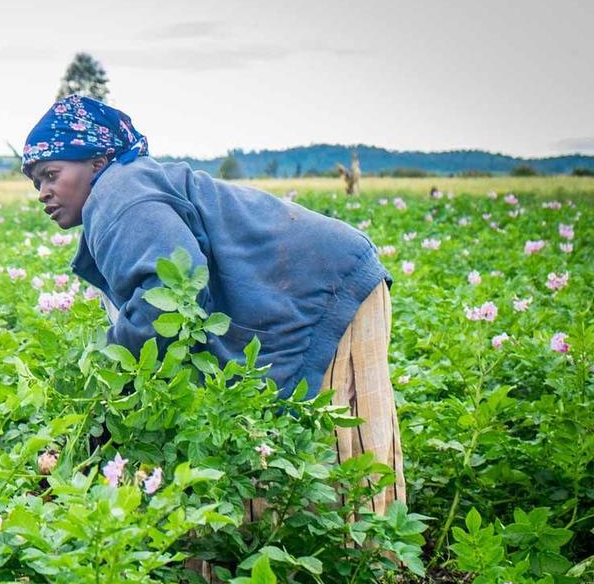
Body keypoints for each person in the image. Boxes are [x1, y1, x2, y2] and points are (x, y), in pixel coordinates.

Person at [23, 94, 405, 517]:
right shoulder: (123, 187)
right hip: (328, 273)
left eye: (51, 175)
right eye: (36, 182)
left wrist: (108, 390)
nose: (43, 192)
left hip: (332, 283)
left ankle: (364, 564)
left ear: (96, 162)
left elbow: (170, 294)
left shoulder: (118, 195)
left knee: (336, 442)